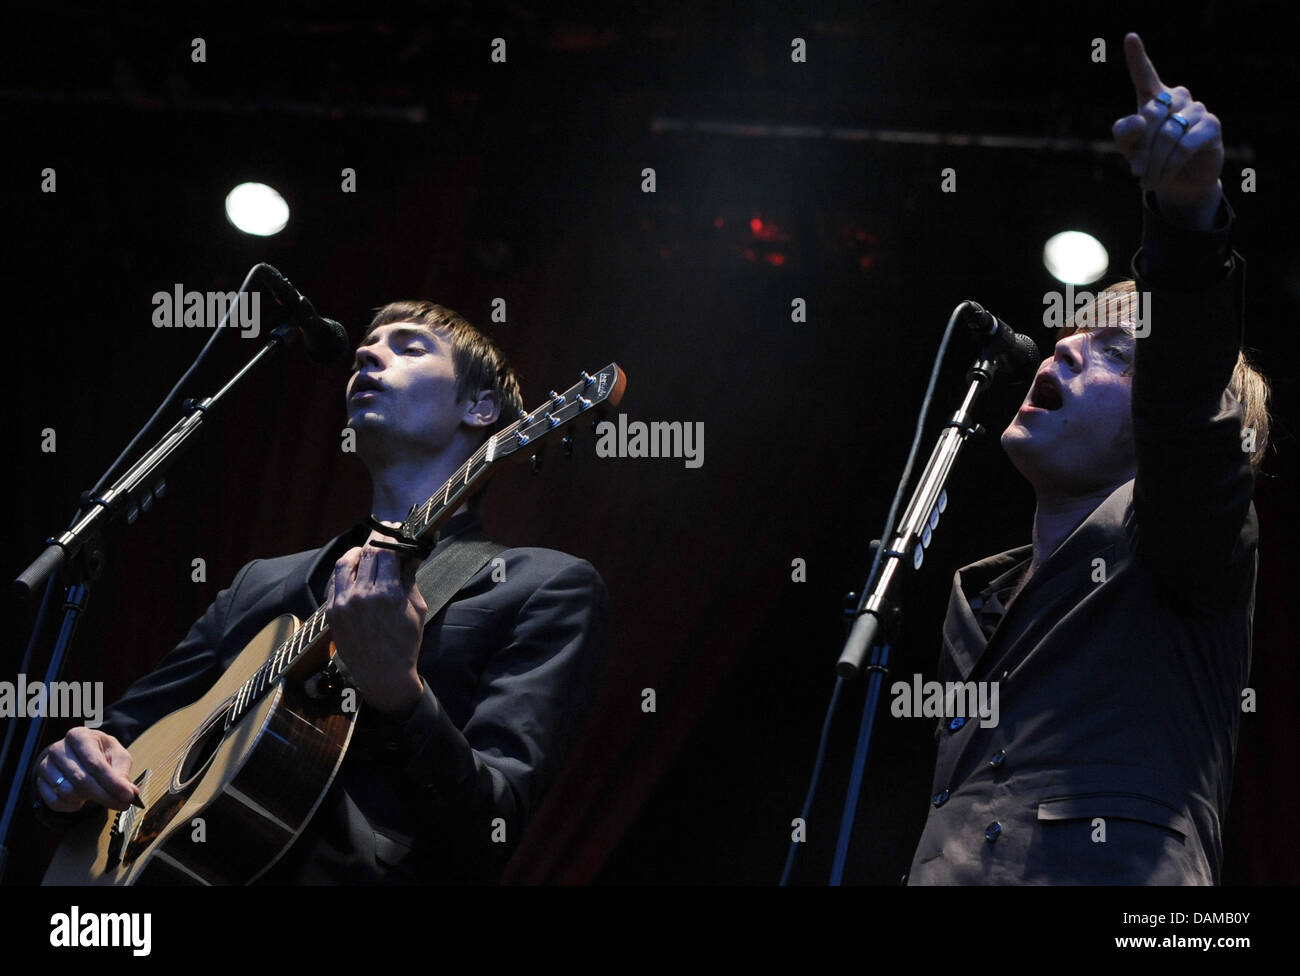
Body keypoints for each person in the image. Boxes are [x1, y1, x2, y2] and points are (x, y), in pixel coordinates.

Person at [32, 300, 608, 884]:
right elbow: (128, 734)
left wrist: (400, 697)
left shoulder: (543, 588)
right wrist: (69, 771)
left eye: (409, 347)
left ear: (481, 408)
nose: (365, 353)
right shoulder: (262, 583)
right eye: (367, 345)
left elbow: (490, 830)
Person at [906, 34, 1269, 884]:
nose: (1060, 352)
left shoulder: (1188, 541)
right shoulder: (983, 597)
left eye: (1111, 350)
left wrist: (1185, 216)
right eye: (1068, 336)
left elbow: (1188, 410)